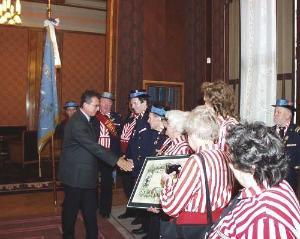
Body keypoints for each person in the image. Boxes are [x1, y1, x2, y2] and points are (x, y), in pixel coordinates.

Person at [58, 90, 133, 239]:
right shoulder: (77, 122)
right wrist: (117, 160)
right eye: (95, 105)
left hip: (86, 175)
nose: (98, 109)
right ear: (85, 105)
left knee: (90, 211)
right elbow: (93, 145)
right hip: (76, 176)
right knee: (71, 211)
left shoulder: (87, 119)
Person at [208, 122, 300, 238]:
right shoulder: (279, 184)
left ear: (250, 167)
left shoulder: (265, 219)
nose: (229, 165)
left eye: (230, 159)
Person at [160, 105, 234, 239]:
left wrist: (168, 183)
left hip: (193, 227)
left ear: (193, 133)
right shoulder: (225, 156)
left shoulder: (196, 161)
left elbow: (171, 207)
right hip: (217, 221)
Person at [148, 109, 192, 239]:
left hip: (171, 201)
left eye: (167, 121)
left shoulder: (183, 148)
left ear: (175, 127)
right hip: (161, 194)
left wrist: (160, 205)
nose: (164, 123)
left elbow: (177, 182)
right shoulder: (168, 141)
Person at [93, 92, 122, 218]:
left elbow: (121, 137)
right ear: (99, 102)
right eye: (104, 101)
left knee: (107, 183)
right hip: (94, 154)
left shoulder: (117, 117)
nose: (107, 104)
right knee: (91, 182)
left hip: (109, 155)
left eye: (109, 102)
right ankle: (93, 206)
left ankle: (105, 210)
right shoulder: (93, 116)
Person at [271, 98, 300, 193]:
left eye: (278, 112)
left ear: (288, 115)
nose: (275, 114)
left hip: (289, 182)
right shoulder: (268, 132)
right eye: (275, 112)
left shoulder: (297, 133)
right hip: (270, 181)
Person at [201, 81, 239, 151]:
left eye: (206, 102)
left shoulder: (227, 127)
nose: (204, 106)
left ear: (216, 103)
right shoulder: (219, 123)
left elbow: (222, 157)